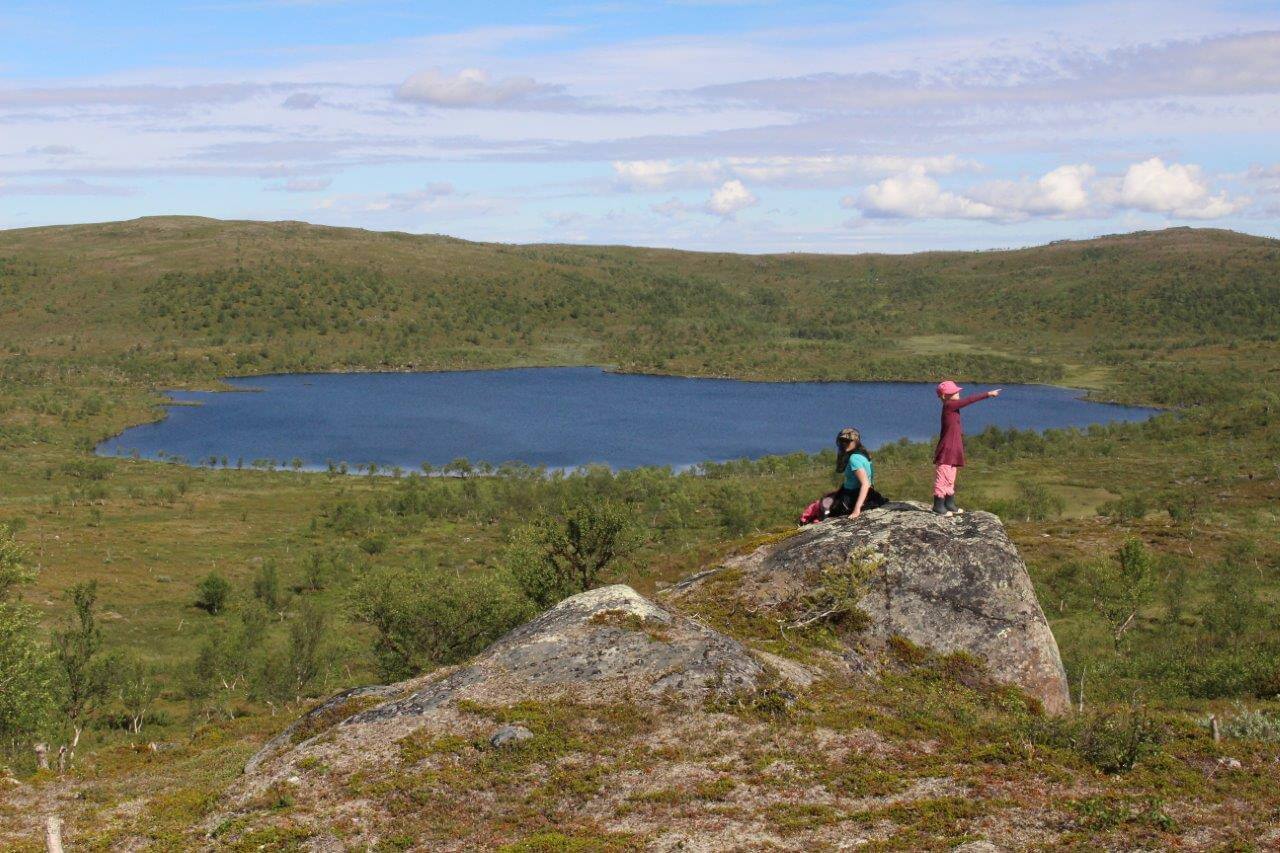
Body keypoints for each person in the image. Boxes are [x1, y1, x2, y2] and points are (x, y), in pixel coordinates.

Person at [933, 380, 1000, 516]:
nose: (958, 393)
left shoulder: (952, 407)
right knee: (943, 478)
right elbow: (969, 400)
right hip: (947, 450)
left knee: (950, 478)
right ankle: (938, 505)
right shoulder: (949, 406)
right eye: (955, 392)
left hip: (953, 449)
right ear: (946, 396)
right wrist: (988, 394)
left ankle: (949, 504)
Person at [832, 427, 887, 519]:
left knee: (825, 508)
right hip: (863, 492)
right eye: (842, 441)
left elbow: (865, 484)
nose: (844, 443)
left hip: (852, 495)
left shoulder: (854, 458)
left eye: (848, 441)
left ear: (855, 441)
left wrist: (857, 509)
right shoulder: (863, 453)